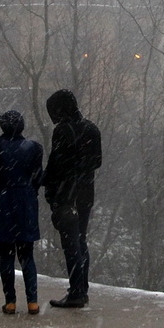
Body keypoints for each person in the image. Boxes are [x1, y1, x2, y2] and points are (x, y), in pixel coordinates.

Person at [43, 89, 101, 308]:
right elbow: (97, 161)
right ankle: (81, 290)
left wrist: (44, 181)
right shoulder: (92, 129)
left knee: (71, 244)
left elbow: (55, 165)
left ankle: (76, 291)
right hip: (85, 195)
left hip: (67, 196)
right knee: (81, 241)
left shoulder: (63, 131)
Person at [0, 109, 45, 315]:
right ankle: (33, 302)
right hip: (26, 203)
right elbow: (38, 178)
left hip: (3, 202)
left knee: (6, 255)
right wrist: (28, 191)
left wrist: (3, 190)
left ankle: (10, 302)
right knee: (27, 254)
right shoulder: (34, 148)